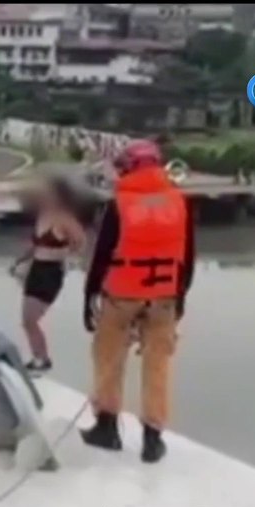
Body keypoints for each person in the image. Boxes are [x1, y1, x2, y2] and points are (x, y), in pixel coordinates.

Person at [79, 139, 195, 463]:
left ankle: (107, 428)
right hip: (164, 298)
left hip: (121, 296)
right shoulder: (178, 202)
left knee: (109, 359)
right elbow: (188, 257)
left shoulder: (121, 204)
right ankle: (153, 439)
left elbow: (102, 256)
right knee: (158, 366)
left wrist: (89, 296)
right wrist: (180, 298)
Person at [8, 175, 87, 374]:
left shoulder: (65, 219)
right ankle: (39, 358)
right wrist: (19, 261)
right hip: (36, 268)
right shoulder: (42, 215)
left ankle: (42, 359)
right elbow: (36, 245)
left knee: (31, 319)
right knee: (27, 319)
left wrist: (67, 256)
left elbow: (81, 242)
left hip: (52, 271)